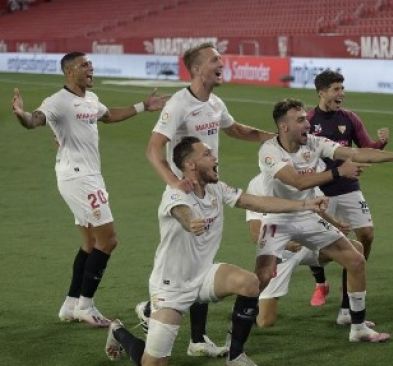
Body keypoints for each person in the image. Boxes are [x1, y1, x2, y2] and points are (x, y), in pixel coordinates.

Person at [104, 136, 329, 366]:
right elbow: (182, 212)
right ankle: (119, 331)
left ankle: (235, 354)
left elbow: (255, 202)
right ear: (191, 165)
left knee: (250, 283)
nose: (215, 158)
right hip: (171, 288)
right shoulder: (176, 194)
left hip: (203, 275)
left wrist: (305, 205)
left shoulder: (216, 189)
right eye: (207, 154)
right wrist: (190, 222)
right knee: (153, 364)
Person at [11, 51, 167, 327]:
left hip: (89, 176)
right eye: (85, 65)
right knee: (108, 241)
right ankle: (87, 304)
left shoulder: (91, 99)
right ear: (69, 71)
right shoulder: (58, 101)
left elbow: (108, 115)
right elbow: (35, 120)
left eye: (91, 64)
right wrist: (22, 114)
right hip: (78, 178)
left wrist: (144, 105)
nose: (91, 68)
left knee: (90, 243)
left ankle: (71, 304)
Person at [140, 42, 276, 356]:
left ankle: (196, 340)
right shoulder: (178, 104)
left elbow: (237, 130)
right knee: (187, 267)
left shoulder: (215, 103)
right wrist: (175, 181)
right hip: (186, 195)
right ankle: (153, 310)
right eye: (215, 60)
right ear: (199, 68)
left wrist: (274, 138)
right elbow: (153, 148)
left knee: (201, 264)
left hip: (209, 187)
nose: (222, 63)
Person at [255, 97, 393, 342]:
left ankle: (357, 327)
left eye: (306, 118)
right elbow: (297, 181)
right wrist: (337, 172)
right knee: (260, 288)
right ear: (284, 126)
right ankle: (236, 331)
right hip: (276, 219)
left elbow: (355, 152)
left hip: (308, 214)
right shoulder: (269, 151)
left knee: (356, 260)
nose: (307, 124)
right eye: (301, 120)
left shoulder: (313, 143)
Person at [306, 70, 389, 324]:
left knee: (365, 236)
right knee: (318, 246)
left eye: (342, 88)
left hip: (349, 187)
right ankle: (320, 281)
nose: (341, 94)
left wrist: (380, 143)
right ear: (322, 92)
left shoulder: (349, 118)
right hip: (320, 191)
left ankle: (346, 308)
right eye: (335, 89)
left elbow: (365, 147)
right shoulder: (307, 120)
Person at [244, 173, 366, 328]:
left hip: (306, 247)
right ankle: (247, 301)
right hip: (281, 254)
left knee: (355, 250)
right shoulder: (258, 184)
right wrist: (286, 244)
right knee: (265, 321)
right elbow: (256, 234)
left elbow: (315, 209)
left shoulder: (304, 178)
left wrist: (336, 223)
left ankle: (351, 314)